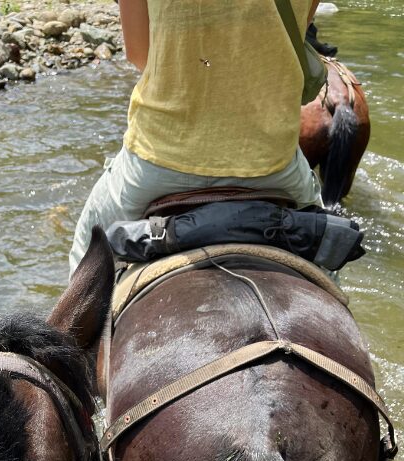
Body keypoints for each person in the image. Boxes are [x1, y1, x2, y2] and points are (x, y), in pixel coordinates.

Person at [70, 0, 322, 275]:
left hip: (159, 162)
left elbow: (140, 55)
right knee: (327, 248)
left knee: (86, 248)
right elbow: (295, 33)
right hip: (273, 162)